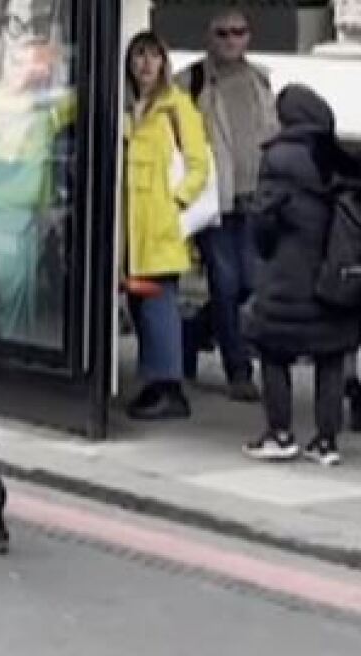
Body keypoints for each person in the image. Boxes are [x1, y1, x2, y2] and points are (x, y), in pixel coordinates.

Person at [242, 85, 360, 466]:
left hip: (288, 277)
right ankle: (326, 443)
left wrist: (263, 243)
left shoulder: (278, 158)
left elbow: (264, 221)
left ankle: (280, 433)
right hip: (334, 275)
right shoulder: (339, 158)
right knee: (330, 358)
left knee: (273, 350)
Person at [176, 9, 279, 401]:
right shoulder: (191, 81)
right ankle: (239, 370)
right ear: (209, 36)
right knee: (225, 281)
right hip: (212, 198)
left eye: (239, 32)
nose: (232, 40)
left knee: (249, 284)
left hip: (253, 194)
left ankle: (195, 332)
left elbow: (271, 133)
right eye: (223, 33)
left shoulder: (260, 80)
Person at [122, 31, 210, 421]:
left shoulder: (177, 107)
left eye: (153, 56)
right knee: (140, 305)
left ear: (164, 62)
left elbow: (199, 164)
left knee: (159, 307)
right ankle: (155, 381)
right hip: (130, 229)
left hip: (159, 225)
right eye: (139, 55)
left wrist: (176, 202)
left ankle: (169, 386)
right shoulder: (129, 109)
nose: (145, 64)